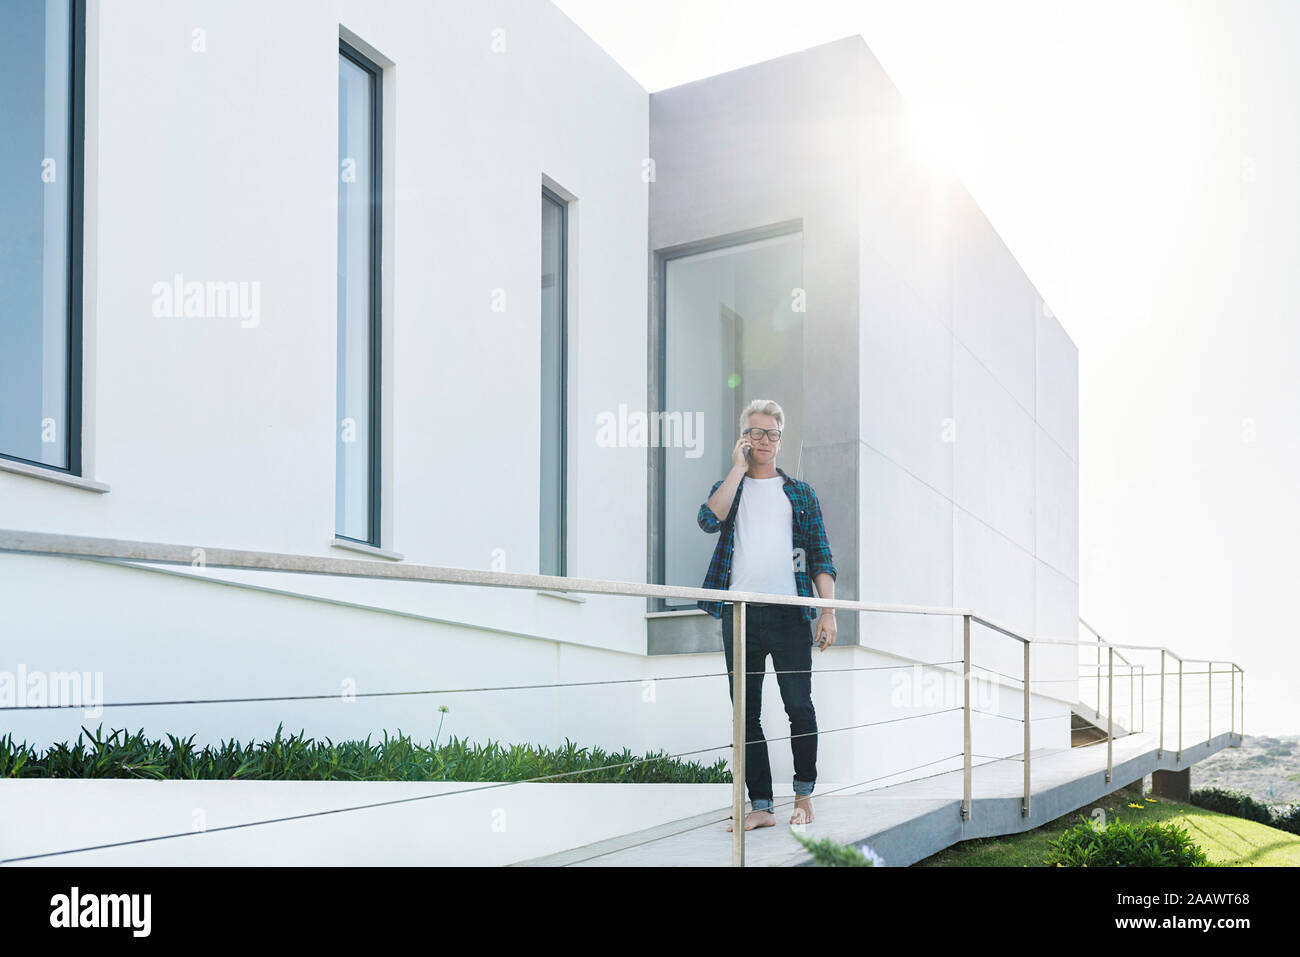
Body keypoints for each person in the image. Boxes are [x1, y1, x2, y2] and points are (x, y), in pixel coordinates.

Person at [697, 398, 837, 831]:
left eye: (772, 433)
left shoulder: (799, 492)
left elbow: (820, 556)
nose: (764, 440)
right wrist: (737, 469)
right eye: (755, 432)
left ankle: (803, 795)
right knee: (746, 712)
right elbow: (707, 520)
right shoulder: (730, 487)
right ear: (744, 437)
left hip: (791, 615)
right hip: (738, 616)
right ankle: (760, 805)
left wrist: (827, 612)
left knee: (799, 705)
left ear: (780, 438)